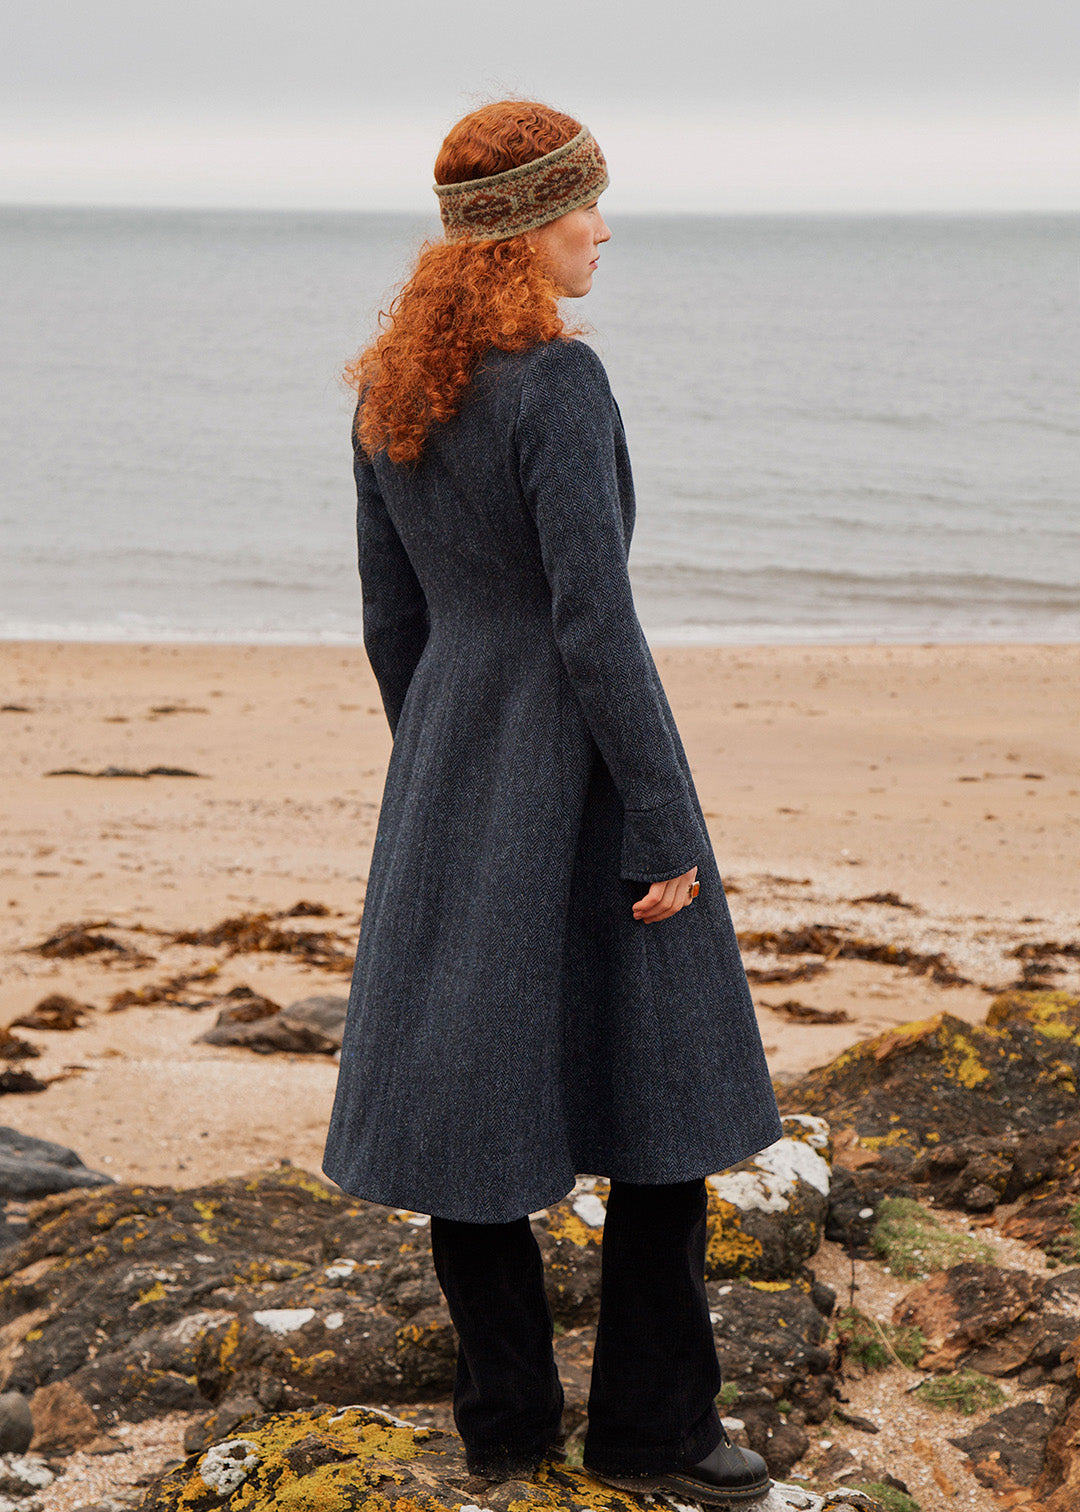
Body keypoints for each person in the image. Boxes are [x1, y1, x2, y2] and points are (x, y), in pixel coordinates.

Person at [323, 100, 783, 1505]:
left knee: (470, 1122)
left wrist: (448, 774)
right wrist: (659, 819)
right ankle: (655, 1432)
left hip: (451, 767)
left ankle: (505, 1432)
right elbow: (595, 623)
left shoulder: (394, 390)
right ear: (528, 225)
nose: (602, 231)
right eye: (585, 206)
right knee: (664, 1104)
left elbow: (389, 622)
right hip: (583, 768)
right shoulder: (560, 385)